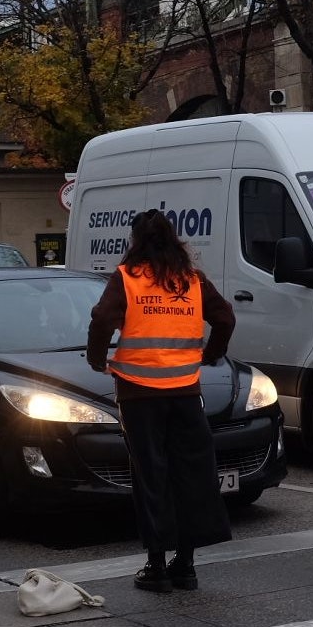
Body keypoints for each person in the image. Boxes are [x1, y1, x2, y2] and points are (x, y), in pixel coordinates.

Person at [88, 210, 235, 591]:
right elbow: (225, 318)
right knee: (191, 473)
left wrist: (96, 357)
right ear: (173, 239)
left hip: (139, 393)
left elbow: (103, 318)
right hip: (186, 391)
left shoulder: (128, 278)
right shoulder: (191, 279)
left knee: (150, 474)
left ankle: (157, 565)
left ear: (135, 241)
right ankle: (185, 564)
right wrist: (212, 354)